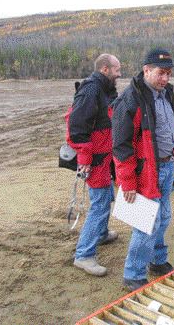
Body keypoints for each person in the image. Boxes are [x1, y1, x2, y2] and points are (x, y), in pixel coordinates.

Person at [112, 48, 174, 291]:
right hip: (145, 170)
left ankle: (157, 261)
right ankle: (133, 274)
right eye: (161, 73)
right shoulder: (131, 99)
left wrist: (173, 149)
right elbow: (120, 146)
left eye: (169, 74)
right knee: (146, 221)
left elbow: (167, 127)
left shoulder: (166, 92)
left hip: (166, 165)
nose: (165, 78)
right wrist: (127, 182)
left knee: (164, 216)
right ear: (146, 70)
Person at [67, 53, 121, 276]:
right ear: (105, 69)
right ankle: (84, 255)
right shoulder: (90, 90)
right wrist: (86, 159)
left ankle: (100, 234)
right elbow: (77, 128)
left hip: (105, 156)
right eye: (117, 70)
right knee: (99, 204)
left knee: (107, 197)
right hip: (95, 160)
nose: (120, 74)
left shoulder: (106, 90)